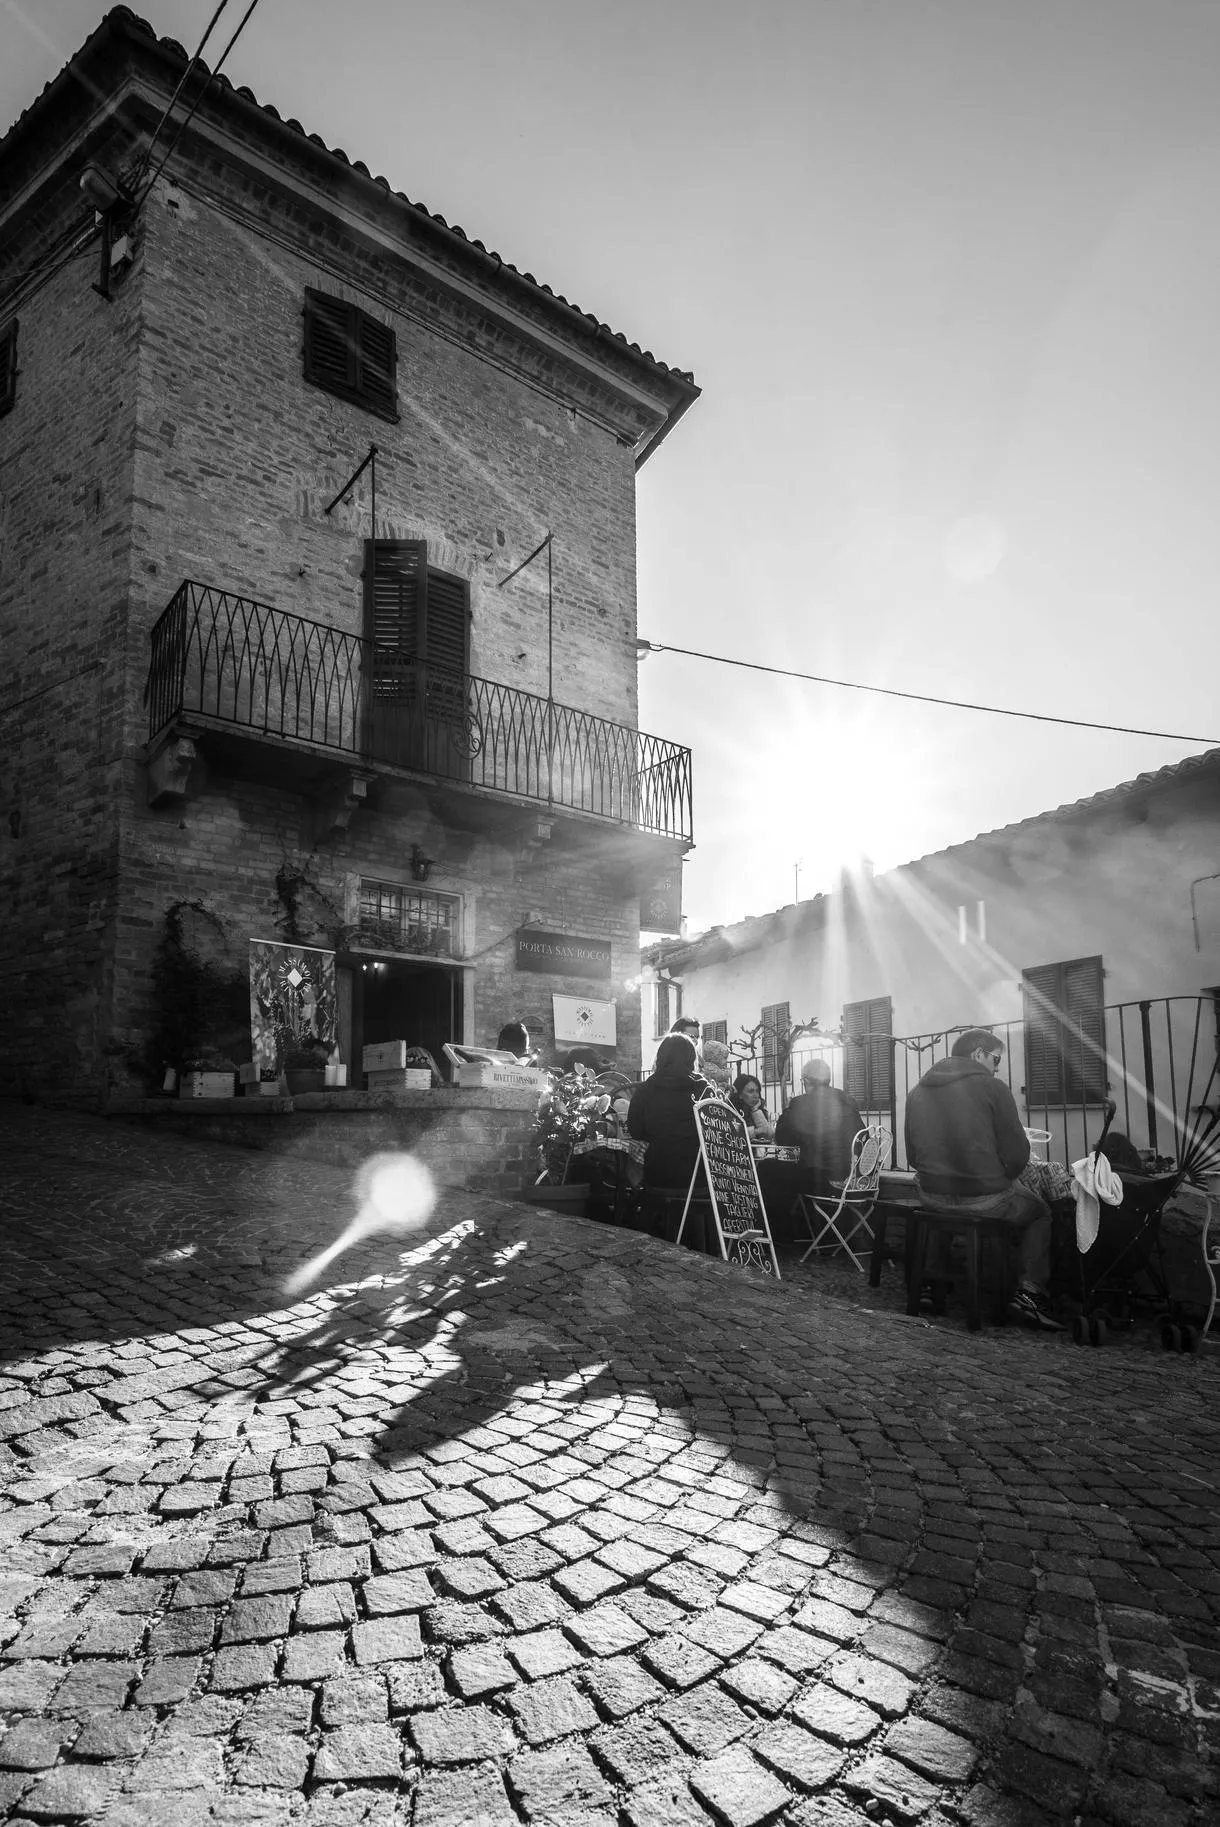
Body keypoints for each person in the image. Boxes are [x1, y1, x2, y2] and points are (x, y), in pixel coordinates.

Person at [904, 1029, 1061, 1331]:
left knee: (939, 1210)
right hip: (986, 1199)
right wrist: (998, 1178)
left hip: (932, 1197)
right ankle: (1029, 1293)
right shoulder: (993, 1088)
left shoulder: (916, 1091)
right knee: (1042, 1213)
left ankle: (928, 1283)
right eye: (996, 1058)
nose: (998, 1066)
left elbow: (912, 1156)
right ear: (978, 1054)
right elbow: (1018, 1154)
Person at [627, 1034, 713, 1245]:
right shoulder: (703, 1089)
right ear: (691, 1058)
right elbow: (714, 1131)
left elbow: (635, 1130)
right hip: (699, 1179)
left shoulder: (646, 1089)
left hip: (659, 1174)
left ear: (661, 1056)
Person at [775, 1058, 863, 1192]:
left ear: (806, 1081)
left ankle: (783, 1213)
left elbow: (782, 1139)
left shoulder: (800, 1103)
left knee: (767, 1168)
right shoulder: (848, 1100)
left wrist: (787, 1110)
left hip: (823, 1178)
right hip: (853, 1177)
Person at [729, 1073, 775, 1141]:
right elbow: (731, 1134)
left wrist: (755, 1110)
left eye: (757, 1091)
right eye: (751, 1091)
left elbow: (769, 1135)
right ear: (740, 1094)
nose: (755, 1095)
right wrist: (756, 1131)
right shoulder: (730, 1111)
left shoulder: (757, 1109)